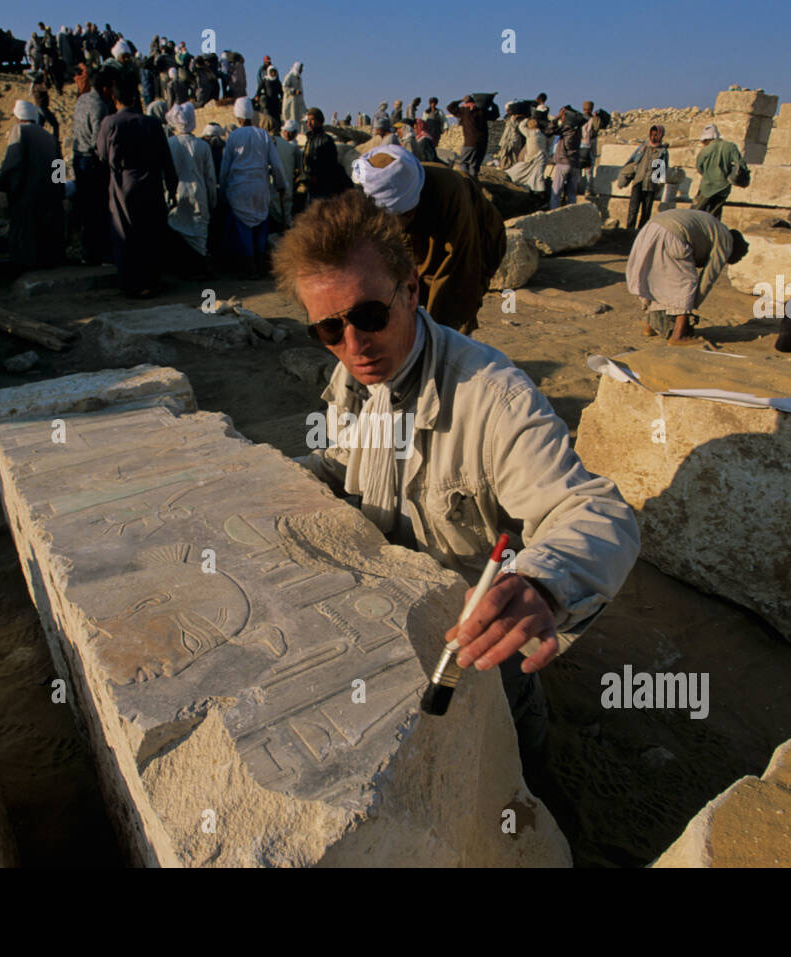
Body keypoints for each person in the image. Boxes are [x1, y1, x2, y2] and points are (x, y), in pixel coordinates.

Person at [272, 188, 641, 772]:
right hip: (379, 626)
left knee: (508, 782)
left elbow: (597, 514)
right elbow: (335, 466)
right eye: (329, 329)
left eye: (370, 316)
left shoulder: (495, 397)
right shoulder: (351, 378)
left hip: (476, 648)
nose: (353, 345)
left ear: (412, 291)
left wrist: (542, 583)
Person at [351, 145, 505, 335]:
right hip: (422, 245)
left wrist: (437, 336)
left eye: (405, 214)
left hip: (477, 242)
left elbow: (457, 272)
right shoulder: (372, 200)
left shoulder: (449, 193)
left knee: (457, 309)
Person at [96, 71, 177, 297]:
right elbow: (166, 159)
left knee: (125, 234)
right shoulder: (152, 124)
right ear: (135, 98)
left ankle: (131, 284)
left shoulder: (110, 123)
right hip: (151, 185)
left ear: (115, 99)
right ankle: (151, 282)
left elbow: (101, 155)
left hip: (123, 186)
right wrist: (172, 187)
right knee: (150, 233)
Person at [625, 207, 748, 343]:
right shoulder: (726, 241)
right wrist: (690, 305)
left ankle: (650, 326)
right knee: (686, 284)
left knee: (656, 282)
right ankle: (678, 336)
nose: (738, 260)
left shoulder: (716, 229)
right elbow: (708, 277)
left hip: (650, 229)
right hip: (673, 234)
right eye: (740, 257)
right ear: (735, 249)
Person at [220, 96, 287, 275]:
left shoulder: (233, 136)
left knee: (243, 228)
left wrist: (222, 191)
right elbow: (277, 164)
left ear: (237, 117)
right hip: (260, 188)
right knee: (260, 225)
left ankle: (249, 265)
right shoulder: (263, 135)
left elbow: (225, 167)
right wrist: (281, 184)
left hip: (239, 188)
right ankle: (260, 262)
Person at [0, 100, 65, 269]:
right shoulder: (49, 136)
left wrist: (5, 185)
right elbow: (59, 166)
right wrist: (59, 190)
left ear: (18, 117)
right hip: (49, 197)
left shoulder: (20, 131)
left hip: (27, 195)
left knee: (25, 236)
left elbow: (13, 163)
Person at [164, 101, 217, 275]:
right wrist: (212, 199)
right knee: (199, 233)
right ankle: (200, 268)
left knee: (178, 229)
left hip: (177, 195)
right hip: (198, 194)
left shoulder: (169, 144)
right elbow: (210, 177)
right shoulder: (203, 146)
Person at [72, 65, 112, 265]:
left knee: (86, 207)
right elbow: (100, 139)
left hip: (78, 157)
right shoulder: (99, 105)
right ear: (105, 88)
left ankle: (87, 253)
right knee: (100, 208)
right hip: (92, 161)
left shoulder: (81, 100)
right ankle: (103, 254)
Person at [693, 123, 747, 219]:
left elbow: (699, 167)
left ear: (706, 139)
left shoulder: (705, 150)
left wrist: (707, 174)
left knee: (696, 213)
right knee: (715, 216)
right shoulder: (731, 147)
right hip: (724, 187)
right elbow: (741, 165)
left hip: (707, 187)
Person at [620, 124, 668, 231]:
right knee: (633, 208)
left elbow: (660, 172)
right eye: (652, 135)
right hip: (639, 181)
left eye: (656, 135)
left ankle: (641, 231)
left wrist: (659, 185)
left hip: (651, 185)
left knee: (646, 211)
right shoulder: (643, 148)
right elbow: (632, 161)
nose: (653, 137)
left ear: (660, 135)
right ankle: (629, 230)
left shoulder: (662, 152)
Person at [302, 107, 347, 202]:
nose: (308, 123)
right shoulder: (310, 139)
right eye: (308, 120)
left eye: (312, 120)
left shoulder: (326, 140)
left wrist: (317, 176)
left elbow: (330, 164)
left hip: (322, 186)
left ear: (319, 121)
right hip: (311, 184)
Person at [544, 104, 584, 209]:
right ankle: (571, 215)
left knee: (556, 192)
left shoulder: (567, 128)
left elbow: (548, 131)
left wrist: (557, 117)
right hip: (575, 163)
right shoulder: (578, 129)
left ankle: (554, 213)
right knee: (571, 194)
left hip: (563, 162)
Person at [271, 119, 303, 230]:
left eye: (290, 132)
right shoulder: (279, 144)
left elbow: (299, 169)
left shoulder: (294, 149)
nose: (287, 134)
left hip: (288, 183)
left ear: (295, 133)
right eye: (285, 131)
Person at [446, 95, 487, 180]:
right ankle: (474, 183)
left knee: (463, 162)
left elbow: (450, 107)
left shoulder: (464, 111)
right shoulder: (482, 111)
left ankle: (466, 181)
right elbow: (495, 114)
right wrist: (492, 104)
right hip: (482, 143)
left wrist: (460, 100)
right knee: (473, 165)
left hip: (470, 142)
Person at [505, 116, 548, 194]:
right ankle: (540, 193)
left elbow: (521, 126)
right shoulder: (542, 135)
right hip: (541, 158)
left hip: (531, 158)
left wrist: (526, 118)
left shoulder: (530, 133)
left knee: (518, 171)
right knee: (538, 177)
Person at [574, 100, 606, 196]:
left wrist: (596, 117)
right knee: (579, 170)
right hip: (581, 146)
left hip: (590, 146)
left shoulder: (594, 119)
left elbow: (596, 128)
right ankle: (578, 188)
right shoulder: (580, 119)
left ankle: (587, 189)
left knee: (589, 170)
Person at [282, 61, 305, 127]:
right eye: (301, 69)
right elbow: (284, 87)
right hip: (290, 102)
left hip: (298, 102)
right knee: (290, 119)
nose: (302, 70)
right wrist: (294, 91)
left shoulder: (298, 77)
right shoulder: (290, 76)